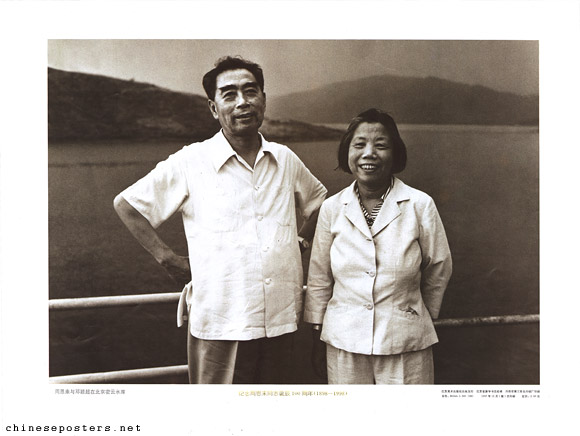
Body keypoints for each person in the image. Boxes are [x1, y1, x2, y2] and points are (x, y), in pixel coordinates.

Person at [113, 56, 327, 384]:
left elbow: (319, 202)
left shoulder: (285, 159)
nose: (242, 102)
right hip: (222, 321)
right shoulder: (191, 160)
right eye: (229, 94)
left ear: (264, 100)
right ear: (214, 108)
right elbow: (127, 205)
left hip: (283, 318)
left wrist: (300, 240)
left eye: (250, 91)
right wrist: (167, 258)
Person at [304, 108, 452, 384]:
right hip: (343, 341)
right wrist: (317, 332)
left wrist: (415, 315)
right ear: (346, 153)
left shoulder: (420, 205)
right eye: (359, 144)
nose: (369, 153)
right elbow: (319, 277)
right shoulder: (332, 208)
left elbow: (439, 267)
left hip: (406, 343)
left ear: (395, 153)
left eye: (381, 145)